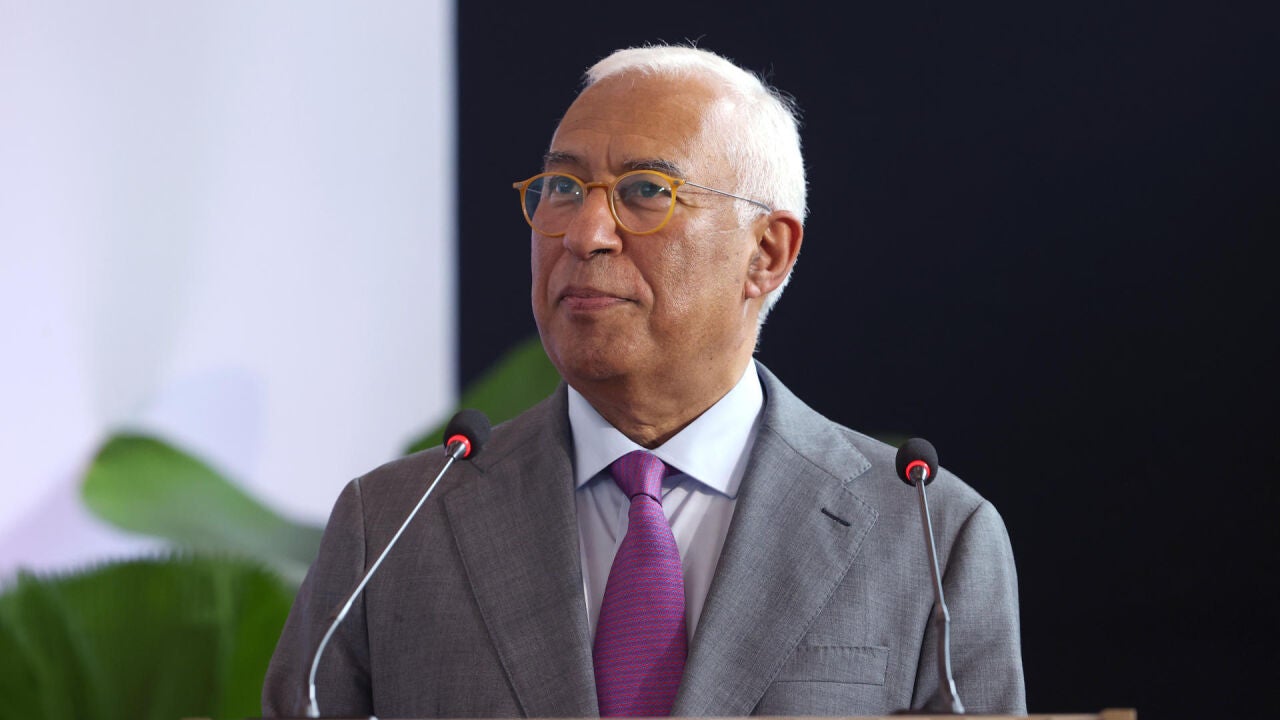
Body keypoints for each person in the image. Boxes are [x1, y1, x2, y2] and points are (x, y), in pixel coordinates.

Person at [263, 43, 1025, 717]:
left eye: (646, 191)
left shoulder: (929, 537)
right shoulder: (392, 526)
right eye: (563, 188)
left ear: (766, 253)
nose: (585, 233)